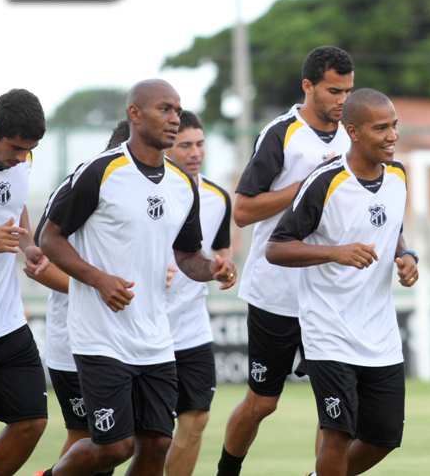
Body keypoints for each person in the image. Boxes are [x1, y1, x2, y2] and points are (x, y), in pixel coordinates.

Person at [36, 79, 237, 476]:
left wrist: (213, 268)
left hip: (155, 338)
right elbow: (49, 239)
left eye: (178, 111)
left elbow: (187, 256)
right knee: (114, 448)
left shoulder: (182, 186)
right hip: (100, 337)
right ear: (134, 114)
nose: (174, 119)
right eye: (164, 109)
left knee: (158, 442)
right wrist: (99, 280)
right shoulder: (101, 171)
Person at [266, 87, 417, 476]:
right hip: (329, 330)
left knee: (385, 436)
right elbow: (276, 248)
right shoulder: (324, 181)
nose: (392, 136)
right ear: (352, 131)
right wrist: (335, 252)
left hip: (380, 333)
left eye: (394, 126)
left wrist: (406, 256)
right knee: (337, 432)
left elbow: (392, 231)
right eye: (380, 127)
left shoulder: (398, 175)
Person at [217, 46, 354, 476]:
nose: (341, 101)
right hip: (277, 292)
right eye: (333, 90)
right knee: (263, 402)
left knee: (335, 411)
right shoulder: (281, 134)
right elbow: (242, 210)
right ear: (308, 86)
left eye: (348, 91)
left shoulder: (354, 133)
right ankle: (226, 471)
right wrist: (308, 186)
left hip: (331, 295)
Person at [25, 121, 132, 476]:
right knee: (89, 437)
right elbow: (41, 263)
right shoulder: (83, 187)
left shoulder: (148, 195)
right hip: (76, 343)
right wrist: (99, 288)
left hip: (126, 341)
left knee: (123, 440)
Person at [0, 89, 49, 476]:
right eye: (16, 148)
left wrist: (29, 246)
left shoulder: (23, 159)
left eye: (28, 150)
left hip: (3, 323)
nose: (22, 157)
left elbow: (15, 210)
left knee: (32, 420)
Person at [163, 110, 232, 476]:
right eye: (185, 144)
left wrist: (225, 268)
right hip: (144, 328)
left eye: (200, 144)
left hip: (192, 326)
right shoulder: (148, 189)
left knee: (197, 418)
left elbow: (221, 252)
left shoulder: (218, 197)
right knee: (141, 435)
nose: (195, 152)